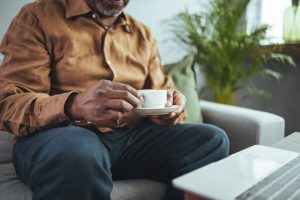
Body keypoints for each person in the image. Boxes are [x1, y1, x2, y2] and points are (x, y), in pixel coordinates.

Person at [0, 0, 229, 199]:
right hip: (61, 137)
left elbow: (165, 91)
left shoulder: (142, 35)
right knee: (78, 151)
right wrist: (74, 105)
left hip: (129, 141)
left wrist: (170, 110)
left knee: (212, 140)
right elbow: (8, 103)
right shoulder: (38, 17)